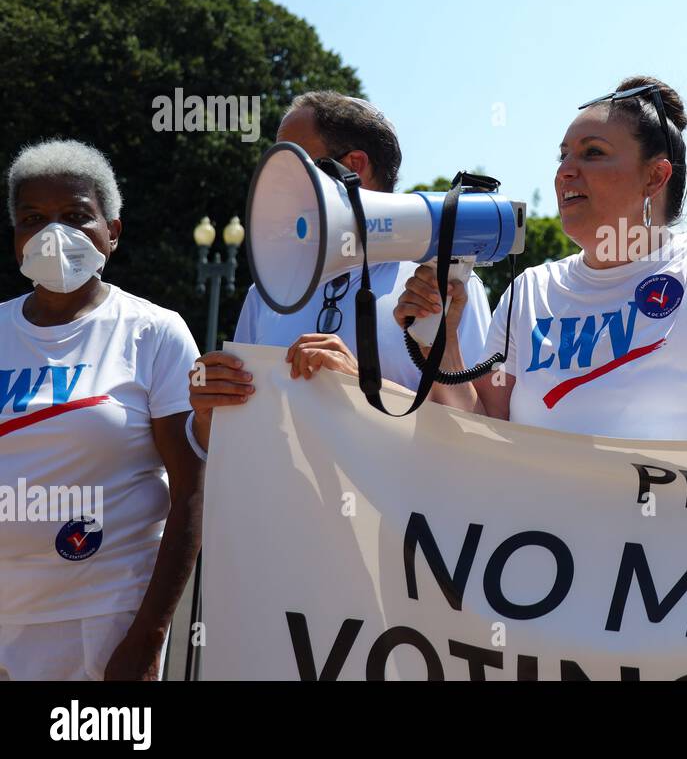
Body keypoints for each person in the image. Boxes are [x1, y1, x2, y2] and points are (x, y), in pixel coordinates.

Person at [395, 75, 687, 439]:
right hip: (550, 567)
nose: (566, 171)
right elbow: (483, 436)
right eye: (562, 156)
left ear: (655, 177)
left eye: (593, 153)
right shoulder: (529, 293)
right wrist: (441, 342)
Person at [187, 91, 492, 454]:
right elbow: (227, 448)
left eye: (294, 161)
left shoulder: (442, 283)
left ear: (355, 166)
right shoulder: (268, 291)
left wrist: (362, 389)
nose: (276, 178)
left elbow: (477, 440)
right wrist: (207, 413)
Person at [0, 141, 201, 680]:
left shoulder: (155, 332)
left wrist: (150, 634)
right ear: (16, 236)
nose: (53, 235)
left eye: (75, 216)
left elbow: (191, 490)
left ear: (112, 231)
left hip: (105, 621)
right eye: (33, 219)